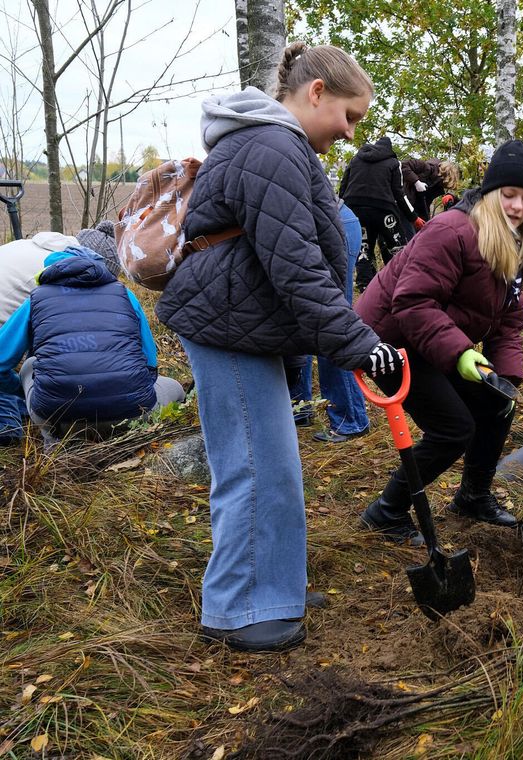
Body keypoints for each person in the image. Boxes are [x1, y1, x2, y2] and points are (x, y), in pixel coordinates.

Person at [156, 43, 404, 652]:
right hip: (225, 323)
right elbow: (297, 269)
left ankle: (272, 583)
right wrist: (360, 346)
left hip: (240, 321)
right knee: (252, 466)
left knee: (274, 464)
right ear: (316, 92)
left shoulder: (274, 144)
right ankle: (240, 608)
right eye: (349, 115)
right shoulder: (270, 146)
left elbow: (296, 261)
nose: (350, 133)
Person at [354, 140, 523, 542]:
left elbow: (508, 321)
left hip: (431, 337)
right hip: (389, 339)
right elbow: (411, 302)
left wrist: (506, 379)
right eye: (509, 194)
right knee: (453, 429)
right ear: (491, 191)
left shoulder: (514, 243)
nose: (517, 206)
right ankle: (386, 512)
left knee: (496, 404)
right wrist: (461, 351)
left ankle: (473, 496)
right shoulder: (453, 230)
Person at [0, 246, 184, 445]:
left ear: (51, 269)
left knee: (31, 364)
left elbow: (1, 362)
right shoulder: (124, 294)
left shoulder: (35, 299)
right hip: (132, 412)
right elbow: (150, 362)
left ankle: (54, 443)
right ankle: (144, 437)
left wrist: (22, 391)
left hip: (59, 418)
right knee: (175, 388)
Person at [0, 225, 118, 444]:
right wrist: (22, 390)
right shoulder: (52, 282)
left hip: (6, 320)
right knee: (8, 428)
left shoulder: (45, 250)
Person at [287, 202, 372, 443]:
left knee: (328, 320)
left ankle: (350, 419)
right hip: (305, 228)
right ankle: (299, 407)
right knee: (295, 317)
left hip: (330, 226)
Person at [339, 136, 416, 288]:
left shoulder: (356, 159)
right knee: (398, 247)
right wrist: (413, 217)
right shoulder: (394, 163)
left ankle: (364, 285)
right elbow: (399, 193)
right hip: (383, 209)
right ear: (389, 149)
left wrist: (342, 209)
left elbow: (344, 185)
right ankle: (401, 281)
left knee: (364, 248)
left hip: (356, 208)